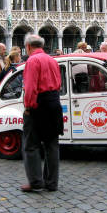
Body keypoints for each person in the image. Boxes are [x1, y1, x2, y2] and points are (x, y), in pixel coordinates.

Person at [21, 34, 63, 192]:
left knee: (31, 145)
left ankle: (36, 182)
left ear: (28, 46)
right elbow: (58, 83)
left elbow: (30, 87)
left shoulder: (32, 60)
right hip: (54, 102)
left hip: (39, 103)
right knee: (52, 145)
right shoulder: (52, 60)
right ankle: (52, 183)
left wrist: (28, 106)